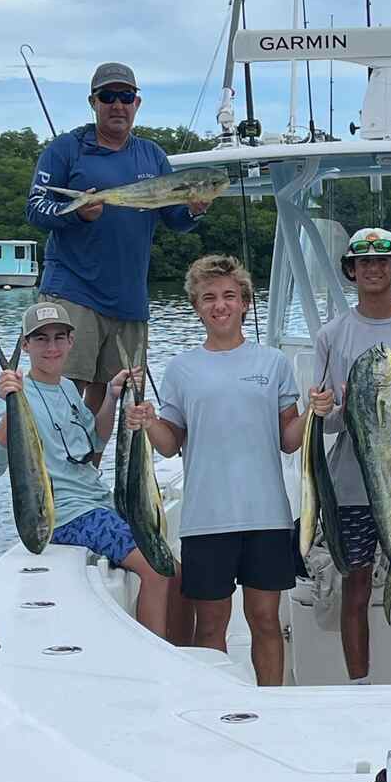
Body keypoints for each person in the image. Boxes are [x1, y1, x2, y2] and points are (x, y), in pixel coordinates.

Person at [126, 255, 332, 688]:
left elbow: (289, 439)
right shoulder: (182, 368)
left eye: (228, 296)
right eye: (208, 298)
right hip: (206, 519)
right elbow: (169, 443)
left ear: (245, 303)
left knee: (265, 621)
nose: (219, 305)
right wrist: (147, 423)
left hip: (267, 517)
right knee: (210, 625)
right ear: (196, 307)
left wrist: (314, 411)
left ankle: (271, 704)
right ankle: (221, 706)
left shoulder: (273, 363)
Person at [26, 61, 212, 418]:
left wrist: (195, 209)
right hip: (73, 289)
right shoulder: (66, 149)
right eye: (108, 96)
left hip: (128, 299)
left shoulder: (153, 155)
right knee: (60, 392)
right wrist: (79, 213)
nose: (118, 105)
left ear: (137, 103)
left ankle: (86, 472)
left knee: (111, 397)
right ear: (93, 102)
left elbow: (175, 219)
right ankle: (50, 472)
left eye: (125, 96)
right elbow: (35, 209)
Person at [0, 301, 175, 639]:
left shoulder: (69, 388)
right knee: (156, 570)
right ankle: (156, 662)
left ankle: (176, 648)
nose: (52, 347)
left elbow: (94, 444)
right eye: (40, 339)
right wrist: (10, 411)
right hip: (66, 515)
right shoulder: (12, 394)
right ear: (25, 345)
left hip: (99, 501)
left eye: (59, 337)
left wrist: (113, 397)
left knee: (173, 564)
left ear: (72, 341)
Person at [313, 228, 391, 686]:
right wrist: (328, 408)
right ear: (351, 270)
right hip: (349, 484)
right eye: (363, 261)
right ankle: (359, 688)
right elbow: (327, 423)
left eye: (383, 261)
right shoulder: (332, 334)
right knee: (356, 583)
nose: (373, 268)